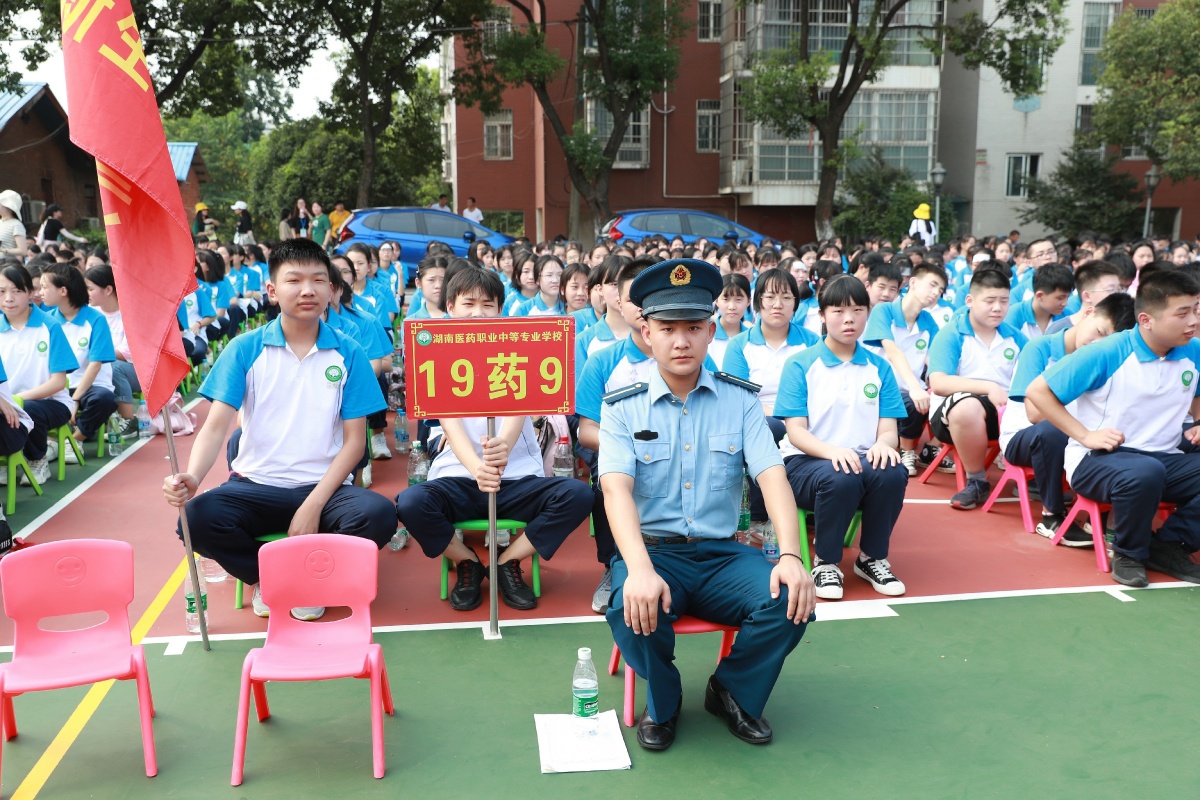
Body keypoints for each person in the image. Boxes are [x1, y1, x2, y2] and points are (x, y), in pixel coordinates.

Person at [599, 257, 814, 752]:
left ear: (711, 331)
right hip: (654, 552)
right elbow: (616, 490)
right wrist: (637, 568)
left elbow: (773, 476)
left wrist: (791, 556)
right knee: (629, 603)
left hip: (722, 555)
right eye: (668, 328)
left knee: (791, 599)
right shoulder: (621, 407)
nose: (681, 341)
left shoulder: (739, 401)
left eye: (693, 328)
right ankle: (666, 698)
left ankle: (731, 690)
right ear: (646, 332)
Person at [161, 239, 397, 620]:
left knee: (379, 515)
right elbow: (216, 426)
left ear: (331, 289)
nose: (308, 290)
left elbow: (355, 444)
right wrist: (191, 475)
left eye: (319, 280)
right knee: (195, 520)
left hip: (325, 487)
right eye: (294, 280)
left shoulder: (348, 353)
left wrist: (313, 504)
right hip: (255, 486)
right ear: (272, 290)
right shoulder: (244, 348)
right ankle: (270, 579)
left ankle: (307, 577)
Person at [395, 268, 592, 611]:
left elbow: (521, 407)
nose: (478, 313)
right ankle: (466, 562)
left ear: (500, 309)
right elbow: (449, 422)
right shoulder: (437, 355)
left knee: (577, 494)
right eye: (468, 303)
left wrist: (501, 448)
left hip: (515, 477)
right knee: (410, 504)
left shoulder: (518, 347)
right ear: (451, 307)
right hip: (459, 476)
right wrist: (477, 468)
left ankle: (506, 562)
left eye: (488, 304)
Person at [1025, 270, 1200, 587]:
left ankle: (1171, 544)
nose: (1194, 321)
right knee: (1144, 471)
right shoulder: (1107, 351)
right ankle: (1129, 553)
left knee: (1151, 468)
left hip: (1164, 457)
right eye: (1183, 313)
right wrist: (1085, 435)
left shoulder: (1194, 350)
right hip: (1098, 459)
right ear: (1146, 320)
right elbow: (1038, 392)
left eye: (1196, 309)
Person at [777, 275, 910, 599]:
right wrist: (832, 451)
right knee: (842, 476)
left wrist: (883, 445)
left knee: (893, 471)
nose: (848, 319)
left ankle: (872, 558)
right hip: (805, 463)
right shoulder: (800, 365)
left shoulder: (879, 367)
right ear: (822, 315)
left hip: (860, 460)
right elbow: (795, 432)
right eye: (838, 310)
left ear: (868, 313)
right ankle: (825, 562)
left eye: (857, 310)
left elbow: (889, 430)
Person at [1001, 292, 1135, 544]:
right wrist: (1076, 377)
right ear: (1087, 313)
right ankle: (1051, 515)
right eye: (1099, 331)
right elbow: (1034, 414)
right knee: (1053, 430)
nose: (1098, 343)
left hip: (1079, 438)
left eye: (1109, 341)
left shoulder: (1109, 360)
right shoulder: (1039, 348)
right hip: (1024, 437)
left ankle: (1107, 518)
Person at [927, 265, 1029, 510]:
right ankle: (977, 480)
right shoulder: (951, 334)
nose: (998, 308)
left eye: (1004, 301)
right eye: (990, 300)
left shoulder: (1016, 337)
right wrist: (988, 387)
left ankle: (1038, 480)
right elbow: (939, 383)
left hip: (1004, 413)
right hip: (951, 416)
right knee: (967, 406)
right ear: (970, 300)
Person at [863, 262, 948, 475]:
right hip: (878, 386)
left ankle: (931, 448)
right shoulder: (884, 311)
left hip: (912, 387)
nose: (936, 292)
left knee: (953, 400)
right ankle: (906, 451)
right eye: (932, 285)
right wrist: (914, 387)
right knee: (912, 401)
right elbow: (893, 352)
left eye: (940, 290)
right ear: (913, 282)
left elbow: (934, 359)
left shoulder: (929, 321)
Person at [0, 263, 78, 485]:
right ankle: (7, 461)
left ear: (30, 293)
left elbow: (58, 382)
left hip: (52, 404)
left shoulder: (50, 326)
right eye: (2, 291)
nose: (9, 298)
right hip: (8, 404)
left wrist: (16, 401)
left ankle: (38, 459)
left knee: (29, 408)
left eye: (16, 291)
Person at [40, 263, 118, 450]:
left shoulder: (95, 319)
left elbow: (95, 365)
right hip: (57, 386)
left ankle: (75, 440)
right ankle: (47, 443)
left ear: (63, 291)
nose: (39, 292)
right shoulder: (47, 320)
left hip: (90, 386)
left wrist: (75, 399)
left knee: (105, 399)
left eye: (44, 287)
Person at [84, 263, 139, 427]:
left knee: (113, 367)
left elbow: (128, 352)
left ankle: (128, 420)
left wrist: (97, 356)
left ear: (108, 290)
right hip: (97, 365)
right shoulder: (88, 313)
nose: (85, 294)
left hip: (133, 370)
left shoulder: (129, 314)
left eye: (90, 289)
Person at [1045, 261, 1123, 336]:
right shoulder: (1058, 330)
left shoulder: (1122, 328)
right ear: (1087, 296)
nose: (1118, 294)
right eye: (1111, 290)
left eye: (1119, 289)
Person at [1004, 263, 1074, 340]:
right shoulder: (1014, 315)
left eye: (1067, 297)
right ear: (1039, 296)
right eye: (1060, 298)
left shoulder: (1068, 317)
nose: (1065, 303)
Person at [0, 191, 27, 258]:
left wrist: (3, 250)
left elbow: (23, 251)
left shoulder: (16, 225)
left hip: (6, 263)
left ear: (9, 207)